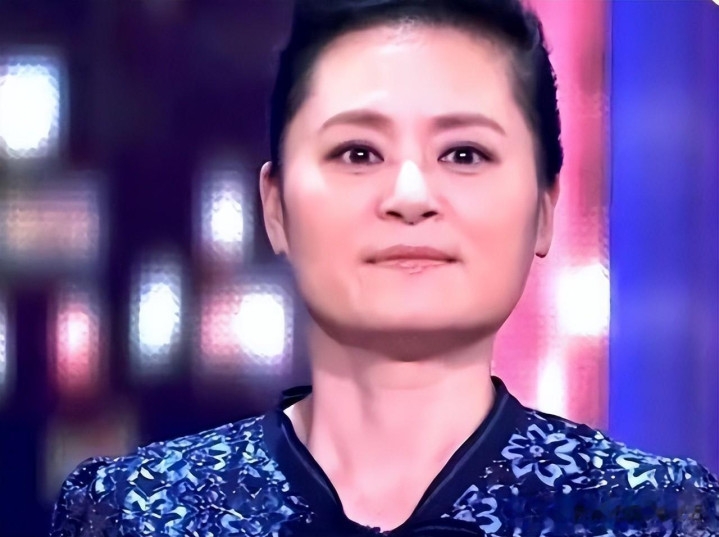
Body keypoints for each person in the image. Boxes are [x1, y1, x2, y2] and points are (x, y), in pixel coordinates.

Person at [50, 0, 719, 535]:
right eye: (357, 153)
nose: (409, 195)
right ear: (275, 207)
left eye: (463, 154)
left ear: (545, 209)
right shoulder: (132, 511)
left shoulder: (652, 514)